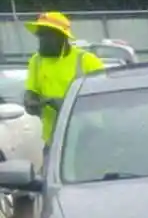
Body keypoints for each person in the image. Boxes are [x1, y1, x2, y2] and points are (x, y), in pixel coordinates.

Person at [23, 12, 105, 146]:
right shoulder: (36, 61)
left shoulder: (87, 61)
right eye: (40, 35)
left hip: (88, 137)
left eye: (46, 36)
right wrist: (30, 101)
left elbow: (103, 98)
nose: (41, 40)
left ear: (62, 37)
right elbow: (32, 90)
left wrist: (67, 105)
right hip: (54, 139)